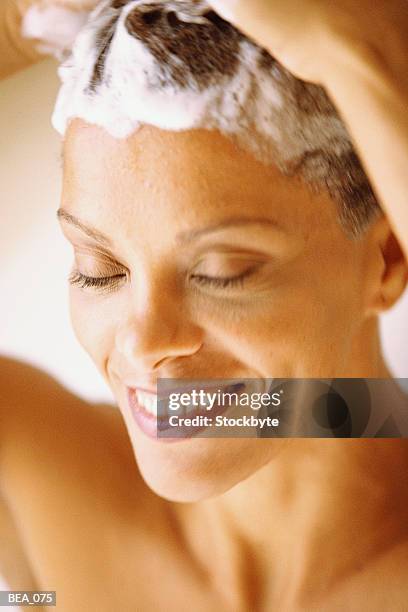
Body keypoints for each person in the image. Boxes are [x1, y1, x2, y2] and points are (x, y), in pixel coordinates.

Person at [1, 1, 408, 610]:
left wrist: (356, 52)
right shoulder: (34, 473)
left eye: (221, 275)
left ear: (389, 259)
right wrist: (19, 21)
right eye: (100, 270)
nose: (142, 342)